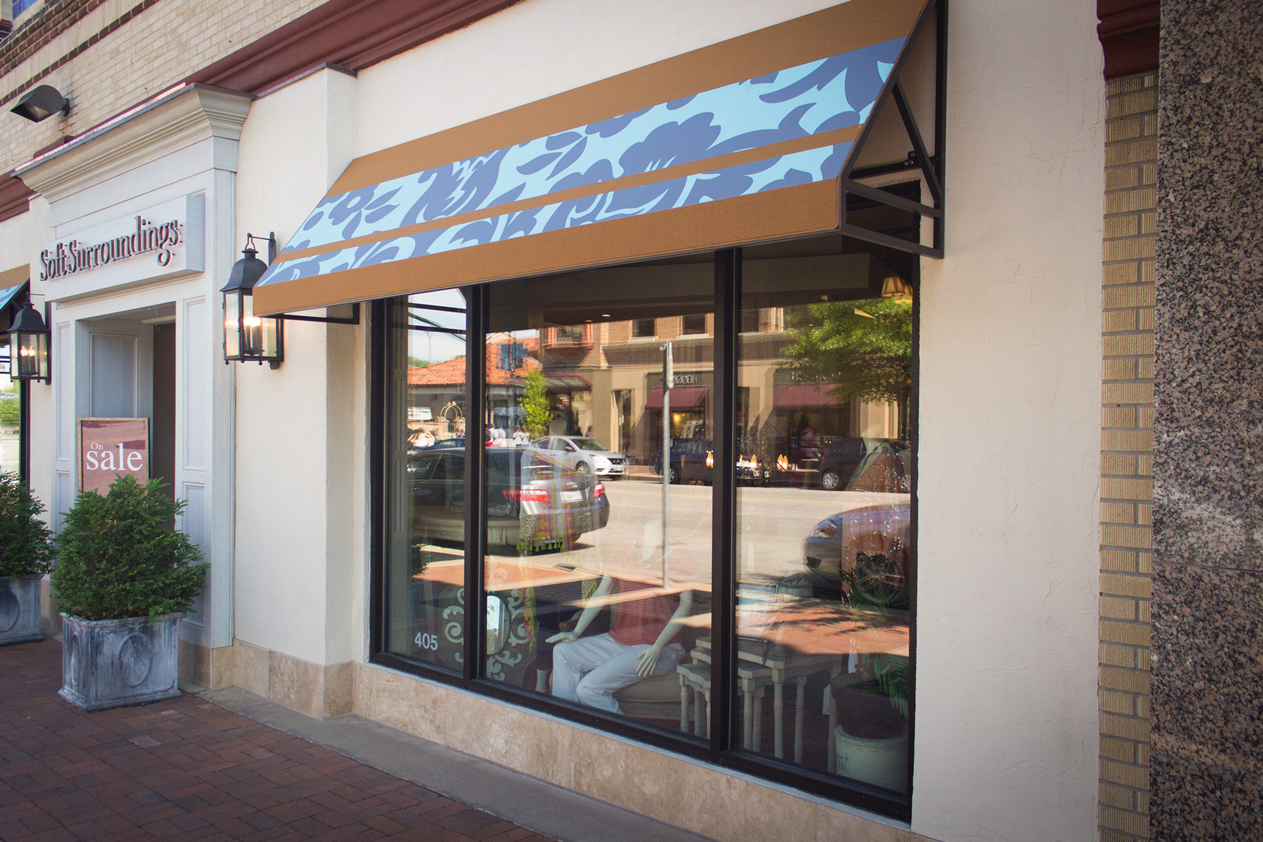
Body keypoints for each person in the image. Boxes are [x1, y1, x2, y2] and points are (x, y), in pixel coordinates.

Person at [547, 574, 692, 713]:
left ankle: (624, 730)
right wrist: (577, 630)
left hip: (659, 647)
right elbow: (602, 592)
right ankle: (566, 719)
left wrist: (659, 645)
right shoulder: (622, 559)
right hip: (619, 640)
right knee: (562, 651)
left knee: (588, 689)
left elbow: (686, 603)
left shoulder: (673, 560)